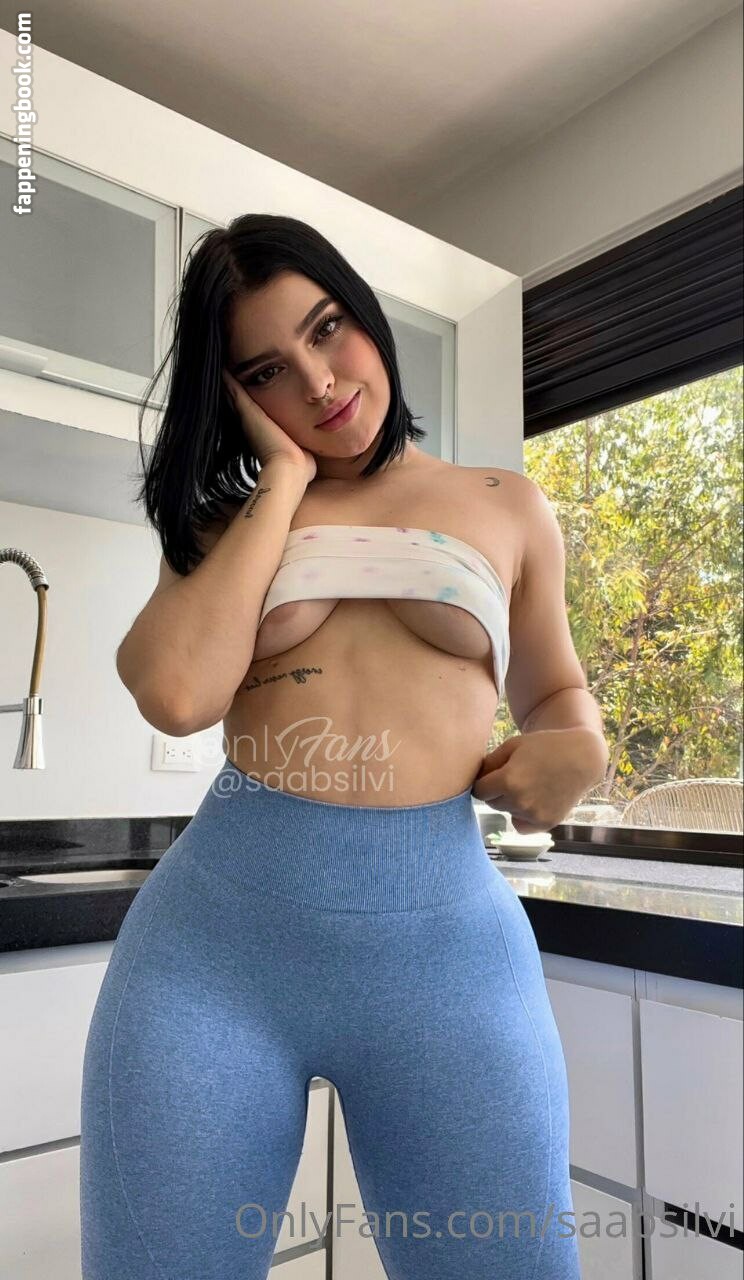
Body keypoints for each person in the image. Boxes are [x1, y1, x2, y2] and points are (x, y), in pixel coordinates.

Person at [80, 213, 607, 1279]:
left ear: (365, 313)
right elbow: (177, 693)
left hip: (450, 961)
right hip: (212, 960)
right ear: (234, 395)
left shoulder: (505, 504)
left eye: (327, 329)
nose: (318, 383)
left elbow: (557, 692)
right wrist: (279, 480)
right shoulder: (229, 524)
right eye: (267, 370)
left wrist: (582, 747)